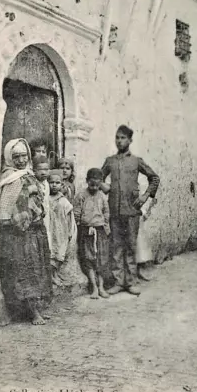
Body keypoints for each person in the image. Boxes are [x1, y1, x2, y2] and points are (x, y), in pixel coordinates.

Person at [0, 139, 52, 325]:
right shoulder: (9, 178)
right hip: (20, 234)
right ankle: (32, 313)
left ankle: (37, 309)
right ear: (9, 158)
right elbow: (4, 207)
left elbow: (39, 197)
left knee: (38, 269)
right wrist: (28, 195)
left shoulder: (28, 174)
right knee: (25, 271)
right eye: (16, 157)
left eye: (24, 156)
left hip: (35, 231)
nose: (21, 160)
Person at [101, 125, 160, 296]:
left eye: (123, 138)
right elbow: (98, 178)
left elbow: (154, 178)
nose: (119, 141)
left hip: (132, 212)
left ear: (130, 140)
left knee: (130, 247)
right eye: (117, 137)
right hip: (114, 212)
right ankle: (119, 282)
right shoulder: (110, 161)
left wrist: (145, 196)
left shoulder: (136, 161)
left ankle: (132, 282)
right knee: (116, 247)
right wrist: (106, 188)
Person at [74, 168, 111, 300]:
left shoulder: (102, 196)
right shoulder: (81, 196)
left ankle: (101, 287)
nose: (94, 187)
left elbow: (106, 212)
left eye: (97, 184)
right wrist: (80, 230)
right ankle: (94, 287)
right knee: (89, 259)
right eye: (91, 184)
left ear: (101, 183)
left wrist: (106, 226)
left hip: (100, 231)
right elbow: (77, 213)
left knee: (101, 259)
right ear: (87, 181)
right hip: (86, 232)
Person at [48, 169, 77, 287]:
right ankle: (51, 275)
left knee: (60, 251)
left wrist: (70, 231)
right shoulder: (46, 199)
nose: (54, 185)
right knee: (51, 251)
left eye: (57, 183)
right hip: (50, 230)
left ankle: (55, 274)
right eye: (51, 182)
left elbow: (70, 217)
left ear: (61, 185)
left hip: (61, 231)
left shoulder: (63, 200)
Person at [33, 155, 51, 251]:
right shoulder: (33, 183)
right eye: (40, 169)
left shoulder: (46, 184)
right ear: (34, 170)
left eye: (46, 169)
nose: (43, 172)